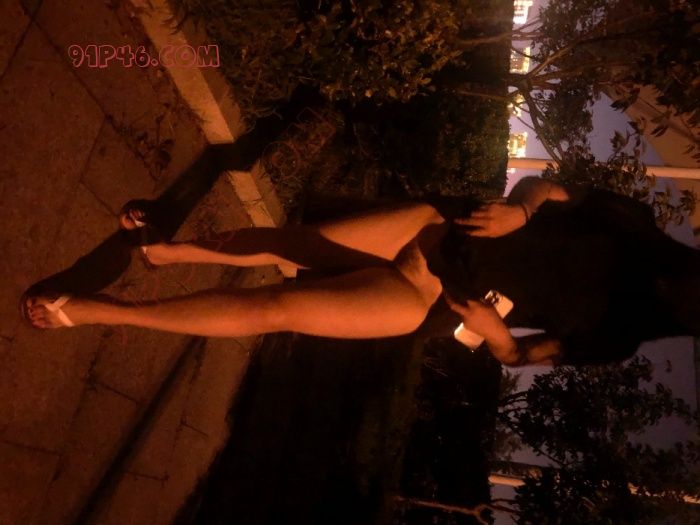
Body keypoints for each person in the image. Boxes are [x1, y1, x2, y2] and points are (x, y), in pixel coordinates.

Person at [22, 177, 700, 367]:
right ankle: (166, 252)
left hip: (429, 294)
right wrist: (522, 210)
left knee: (278, 309)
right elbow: (551, 187)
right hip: (436, 229)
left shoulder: (618, 337)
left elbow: (522, 356)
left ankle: (94, 310)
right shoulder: (633, 221)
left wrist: (496, 335)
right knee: (291, 243)